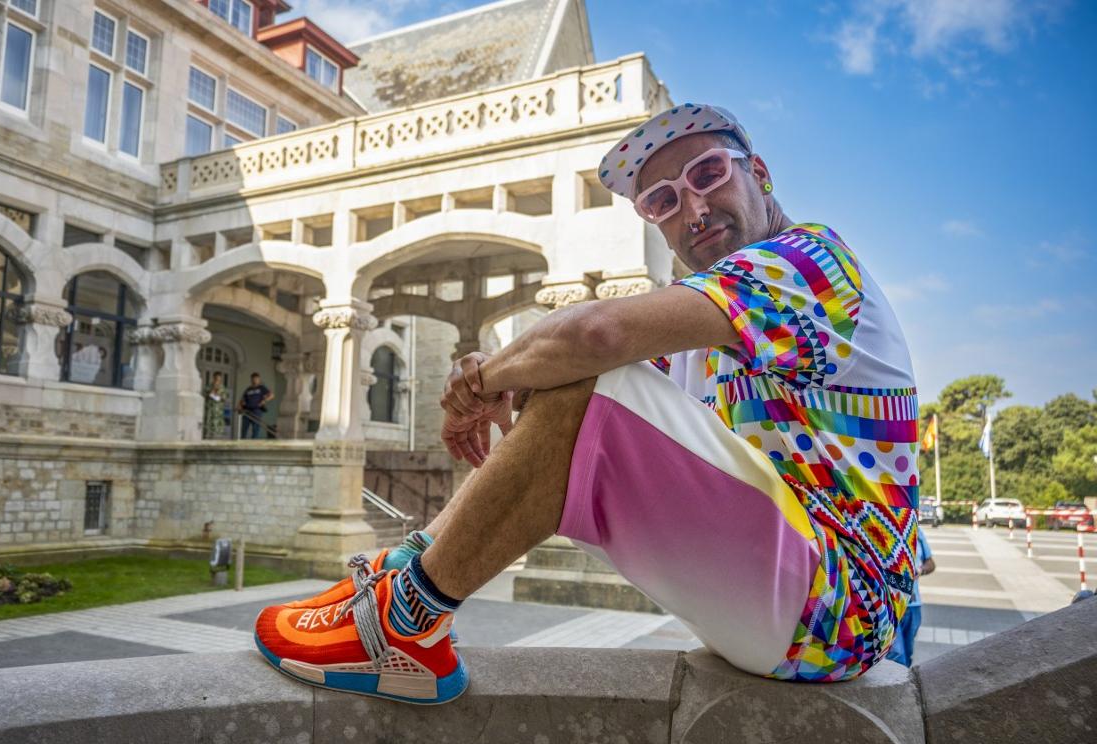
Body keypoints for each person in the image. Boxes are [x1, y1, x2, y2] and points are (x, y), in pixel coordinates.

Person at [254, 103, 921, 704]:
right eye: (662, 200)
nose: (693, 209)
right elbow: (562, 418)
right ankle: (403, 575)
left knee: (589, 364)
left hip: (841, 608)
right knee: (576, 371)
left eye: (708, 174)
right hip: (792, 596)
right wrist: (504, 374)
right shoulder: (704, 332)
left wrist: (484, 384)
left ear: (760, 173)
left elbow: (594, 338)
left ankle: (405, 622)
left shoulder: (811, 261)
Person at [886, 528, 935, 667]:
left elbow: (930, 563)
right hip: (890, 606)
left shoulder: (917, 531)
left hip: (913, 605)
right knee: (895, 654)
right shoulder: (880, 525)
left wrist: (921, 570)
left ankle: (904, 686)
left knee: (907, 654)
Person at [239, 372, 272, 439]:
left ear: (259, 379)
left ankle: (253, 445)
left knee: (255, 430)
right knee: (244, 430)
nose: (255, 380)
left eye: (256, 379)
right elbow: (242, 399)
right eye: (253, 379)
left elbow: (272, 395)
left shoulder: (261, 388)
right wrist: (240, 405)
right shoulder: (248, 389)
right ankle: (242, 445)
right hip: (247, 411)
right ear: (251, 379)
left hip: (256, 411)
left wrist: (264, 401)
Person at [203, 372, 228, 440]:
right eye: (216, 379)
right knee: (208, 430)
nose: (218, 381)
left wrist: (218, 393)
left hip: (218, 412)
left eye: (219, 380)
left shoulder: (223, 388)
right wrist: (213, 389)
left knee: (218, 431)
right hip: (209, 411)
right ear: (213, 378)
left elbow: (224, 398)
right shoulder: (208, 386)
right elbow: (205, 394)